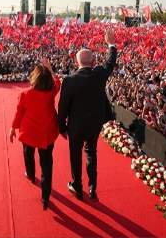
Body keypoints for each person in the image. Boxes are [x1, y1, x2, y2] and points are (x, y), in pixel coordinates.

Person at [58, 28, 117, 202]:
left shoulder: (69, 81)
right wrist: (111, 44)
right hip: (94, 125)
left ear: (77, 63)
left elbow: (62, 108)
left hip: (76, 127)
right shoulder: (99, 74)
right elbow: (110, 63)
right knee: (91, 152)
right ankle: (92, 187)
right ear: (92, 62)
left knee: (76, 157)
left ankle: (77, 187)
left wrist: (62, 128)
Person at [9, 58, 61, 210]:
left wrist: (13, 128)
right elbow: (57, 81)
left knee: (28, 154)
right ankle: (45, 196)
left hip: (29, 133)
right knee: (46, 164)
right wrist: (50, 69)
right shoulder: (52, 91)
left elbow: (18, 114)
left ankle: (30, 174)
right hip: (47, 133)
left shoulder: (24, 94)